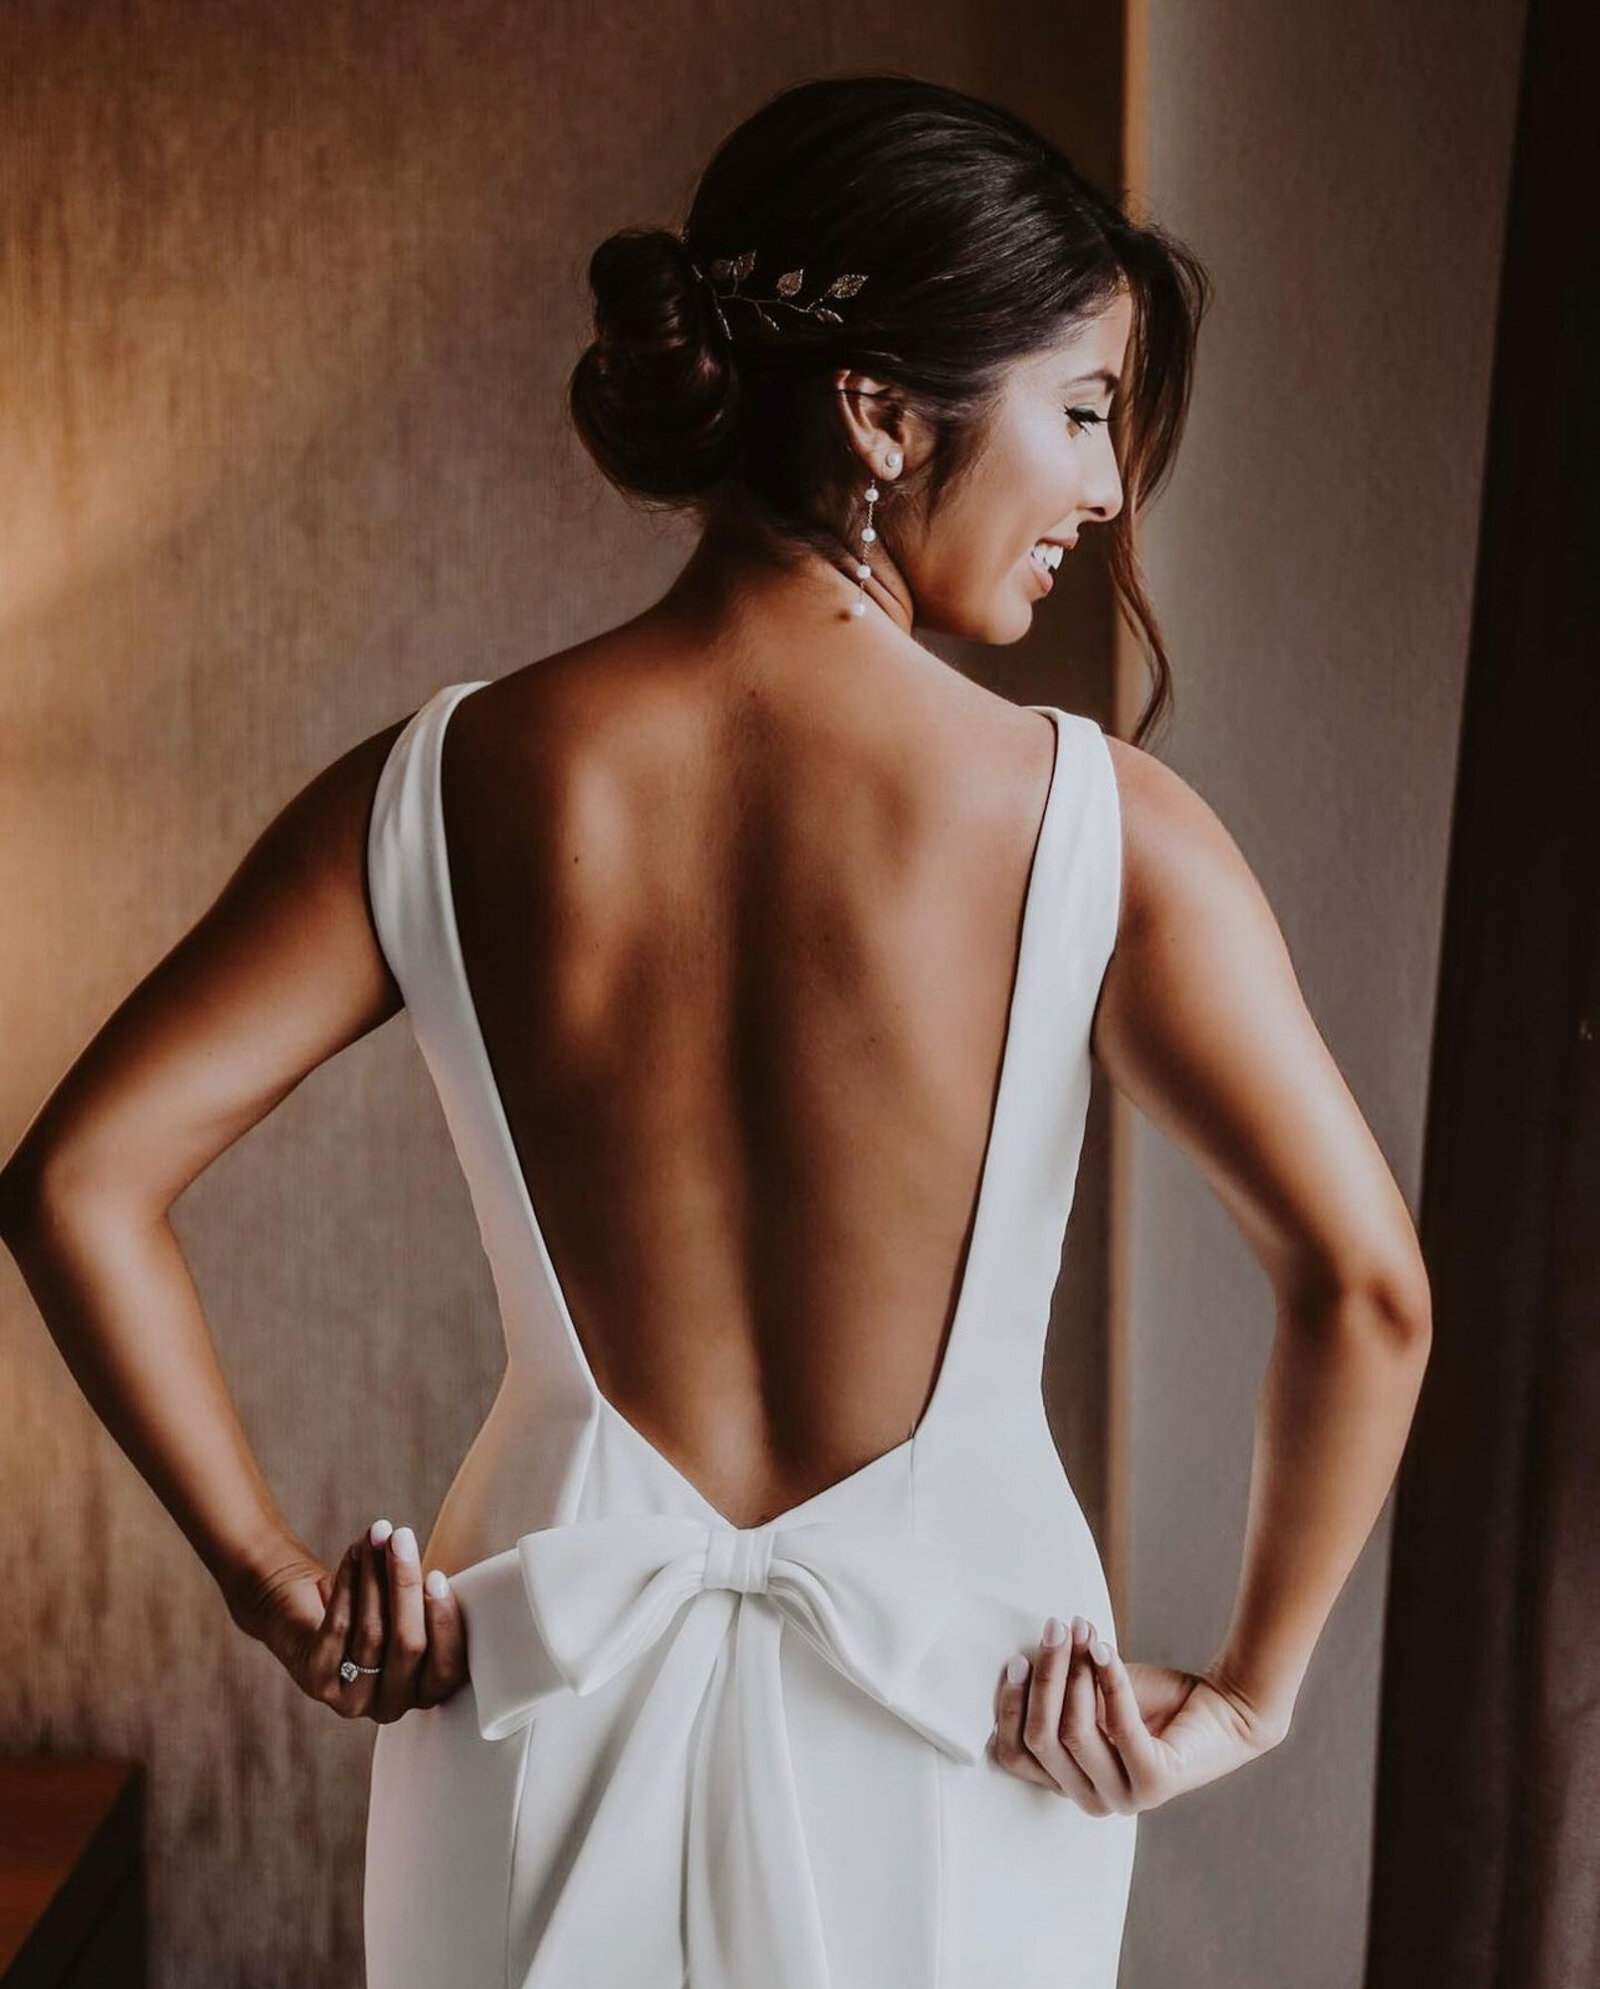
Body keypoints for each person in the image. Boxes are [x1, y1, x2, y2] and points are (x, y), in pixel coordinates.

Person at [0, 71, 1433, 1989]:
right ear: (878, 412)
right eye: (1083, 412)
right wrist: (1248, 1698)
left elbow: (78, 1180)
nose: (1105, 486)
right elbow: (1370, 1288)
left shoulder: (443, 785)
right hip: (971, 1729)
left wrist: (280, 1591)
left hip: (524, 1705)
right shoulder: (1096, 827)